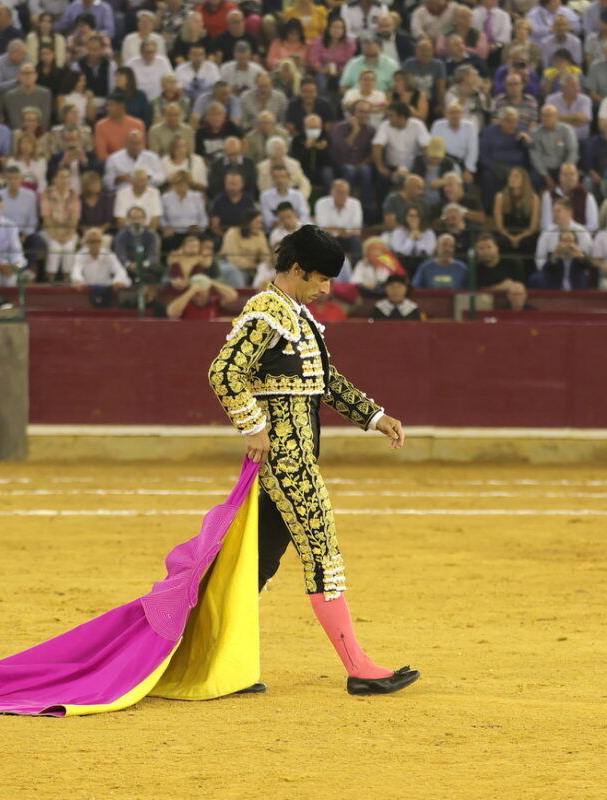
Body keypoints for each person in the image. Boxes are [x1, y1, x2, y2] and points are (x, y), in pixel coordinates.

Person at [207, 225, 418, 695]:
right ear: (298, 270)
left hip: (293, 460)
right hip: (289, 464)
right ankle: (359, 667)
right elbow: (224, 372)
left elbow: (326, 381)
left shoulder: (293, 314)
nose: (326, 290)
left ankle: (216, 662)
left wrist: (375, 416)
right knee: (323, 554)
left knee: (254, 565)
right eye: (320, 279)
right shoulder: (267, 312)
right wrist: (253, 427)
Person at [492, 166, 540, 259]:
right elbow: (499, 226)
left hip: (526, 233)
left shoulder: (533, 198)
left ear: (524, 180)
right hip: (506, 233)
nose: (512, 179)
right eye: (511, 176)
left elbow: (533, 227)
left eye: (516, 176)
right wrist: (510, 237)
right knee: (502, 242)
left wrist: (519, 237)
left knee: (529, 242)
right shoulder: (500, 197)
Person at [315, 180, 365, 261]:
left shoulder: (355, 204)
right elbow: (322, 228)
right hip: (329, 239)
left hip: (348, 238)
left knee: (356, 240)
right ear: (332, 192)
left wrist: (335, 230)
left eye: (345, 192)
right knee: (322, 240)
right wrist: (342, 231)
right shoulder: (321, 203)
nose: (343, 195)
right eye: (339, 192)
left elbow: (356, 228)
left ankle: (357, 266)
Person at [71, 227, 131, 292]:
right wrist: (78, 280)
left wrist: (117, 281)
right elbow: (76, 270)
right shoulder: (81, 254)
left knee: (125, 281)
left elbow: (119, 269)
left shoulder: (108, 254)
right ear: (86, 243)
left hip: (106, 288)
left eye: (97, 241)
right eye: (92, 241)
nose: (95, 244)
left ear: (102, 242)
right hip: (87, 288)